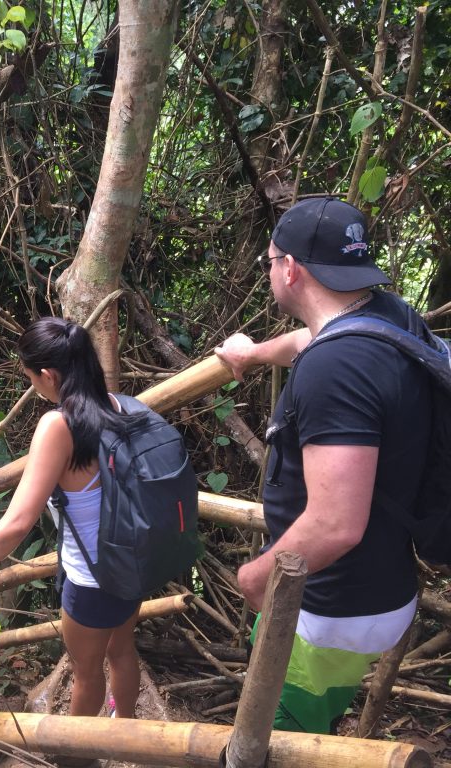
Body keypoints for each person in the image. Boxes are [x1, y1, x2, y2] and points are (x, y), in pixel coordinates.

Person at [214, 197, 427, 733]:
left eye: (269, 260)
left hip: (327, 609)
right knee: (323, 706)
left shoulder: (334, 370)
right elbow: (316, 337)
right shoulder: (388, 316)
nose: (270, 269)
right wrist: (257, 352)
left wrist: (256, 578)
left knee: (275, 739)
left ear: (291, 268)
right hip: (383, 587)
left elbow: (335, 523)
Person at [0, 317, 143, 724]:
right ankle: (126, 731)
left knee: (86, 673)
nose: (32, 385)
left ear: (48, 375)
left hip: (92, 580)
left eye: (30, 377)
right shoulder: (119, 406)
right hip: (132, 561)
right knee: (122, 651)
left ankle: (76, 755)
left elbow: (17, 522)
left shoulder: (59, 425)